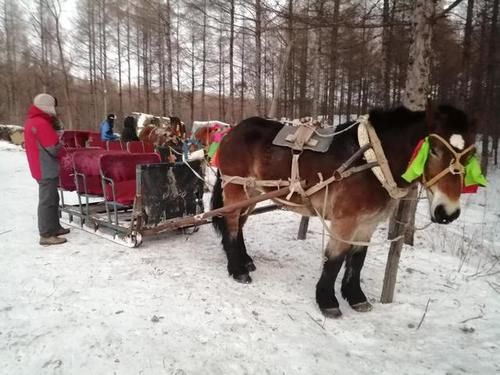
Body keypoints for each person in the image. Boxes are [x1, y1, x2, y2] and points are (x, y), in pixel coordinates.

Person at [24, 93, 70, 246]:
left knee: (52, 198)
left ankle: (54, 227)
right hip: (45, 166)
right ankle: (46, 234)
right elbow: (53, 148)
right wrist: (63, 147)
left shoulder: (33, 121)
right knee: (47, 200)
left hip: (41, 165)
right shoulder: (41, 123)